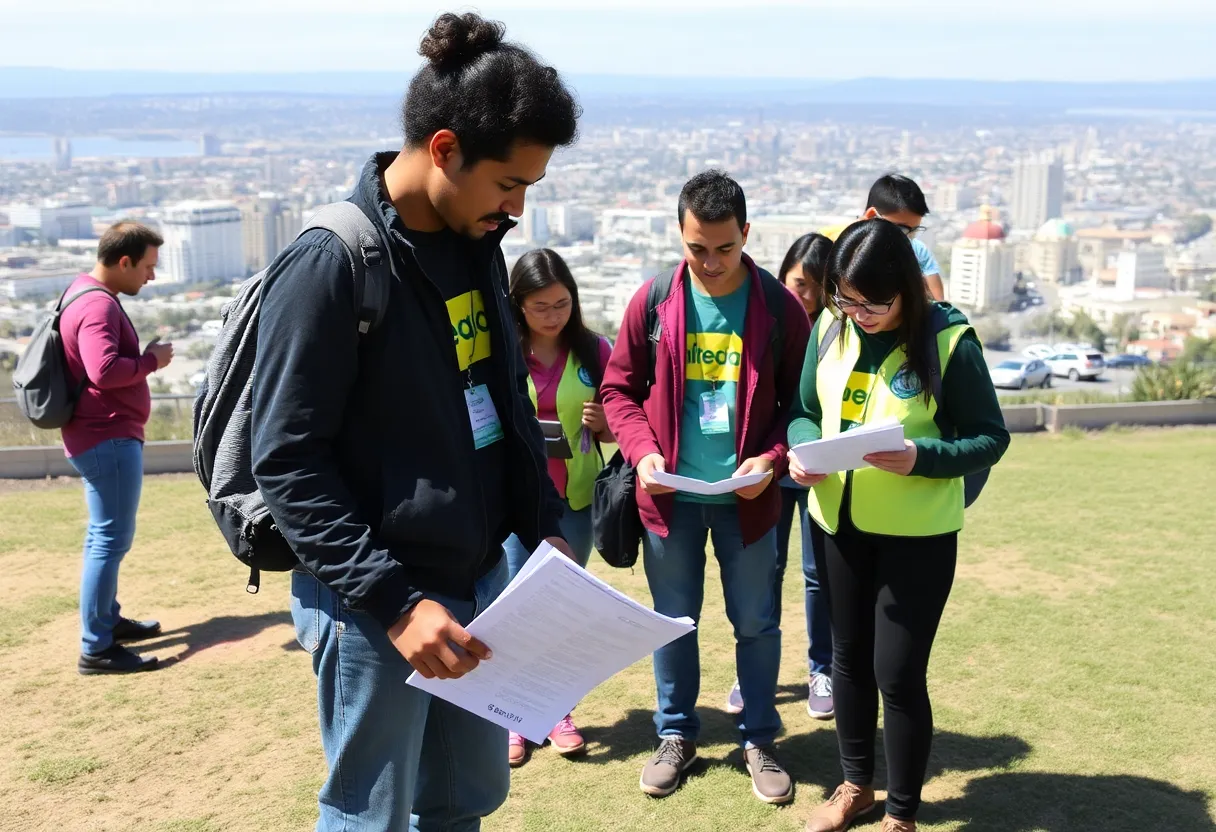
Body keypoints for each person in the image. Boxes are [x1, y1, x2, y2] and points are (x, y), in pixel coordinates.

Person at [250, 13, 580, 831]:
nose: (518, 208)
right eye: (509, 184)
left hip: (479, 587)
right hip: (375, 604)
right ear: (443, 150)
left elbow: (505, 400)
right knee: (373, 813)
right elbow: (287, 461)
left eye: (530, 189)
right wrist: (396, 605)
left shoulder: (477, 243)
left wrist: (544, 530)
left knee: (462, 802)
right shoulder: (334, 263)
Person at [787, 219, 1009, 832]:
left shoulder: (948, 341)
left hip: (917, 537)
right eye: (845, 299)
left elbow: (991, 438)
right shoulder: (831, 329)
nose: (858, 314)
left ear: (905, 289)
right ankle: (855, 786)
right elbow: (804, 412)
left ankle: (902, 814)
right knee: (847, 659)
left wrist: (922, 458)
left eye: (873, 303)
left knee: (899, 673)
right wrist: (803, 452)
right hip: (837, 523)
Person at [601, 170, 811, 805]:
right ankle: (676, 735)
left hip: (749, 502)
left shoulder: (779, 308)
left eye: (725, 248)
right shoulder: (655, 300)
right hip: (670, 500)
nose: (712, 262)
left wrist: (772, 458)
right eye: (698, 248)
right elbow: (618, 390)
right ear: (681, 235)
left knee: (756, 621)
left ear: (746, 234)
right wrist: (640, 453)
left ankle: (759, 738)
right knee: (672, 624)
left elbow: (803, 407)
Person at [501, 247, 614, 765]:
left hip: (577, 499)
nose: (553, 315)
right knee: (512, 607)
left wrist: (604, 426)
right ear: (517, 305)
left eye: (562, 304)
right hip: (512, 504)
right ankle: (510, 716)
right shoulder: (500, 351)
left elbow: (625, 426)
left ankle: (556, 710)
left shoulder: (595, 351)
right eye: (541, 306)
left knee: (560, 606)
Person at [725, 231, 837, 720]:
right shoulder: (765, 316)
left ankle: (822, 669)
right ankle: (754, 673)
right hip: (770, 466)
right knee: (765, 570)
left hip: (818, 469)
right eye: (798, 282)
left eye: (817, 286)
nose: (805, 296)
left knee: (819, 576)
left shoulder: (839, 328)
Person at [60, 221, 174, 675]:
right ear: (123, 261)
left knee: (101, 538)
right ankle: (96, 647)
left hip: (95, 434)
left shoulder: (80, 292)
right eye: (147, 267)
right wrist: (152, 361)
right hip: (107, 435)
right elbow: (104, 371)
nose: (150, 277)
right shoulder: (98, 306)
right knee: (109, 541)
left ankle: (107, 622)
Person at [820, 174, 945, 302]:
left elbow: (937, 302)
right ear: (872, 215)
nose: (906, 239)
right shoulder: (829, 244)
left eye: (914, 231)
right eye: (901, 230)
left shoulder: (917, 251)